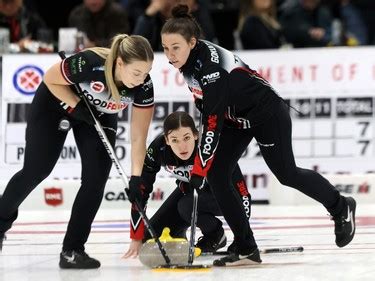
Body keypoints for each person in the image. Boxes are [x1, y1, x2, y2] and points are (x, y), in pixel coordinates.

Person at [159, 4, 356, 267]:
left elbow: (211, 124)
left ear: (192, 43)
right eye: (165, 48)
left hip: (266, 114)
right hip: (236, 118)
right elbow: (207, 110)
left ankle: (340, 206)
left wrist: (198, 168)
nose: (170, 55)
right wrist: (203, 168)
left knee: (286, 174)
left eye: (175, 47)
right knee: (217, 173)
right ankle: (246, 247)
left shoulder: (211, 70)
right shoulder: (190, 59)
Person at [0, 34, 155, 269]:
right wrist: (76, 105)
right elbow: (50, 79)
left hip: (98, 115)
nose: (141, 79)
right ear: (120, 63)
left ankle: (72, 250)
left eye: (146, 73)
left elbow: (138, 136)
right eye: (137, 73)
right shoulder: (89, 62)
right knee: (36, 170)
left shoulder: (143, 86)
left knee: (96, 179)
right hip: (57, 103)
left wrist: (136, 177)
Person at [123, 111, 252, 257]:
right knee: (148, 239)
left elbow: (242, 191)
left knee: (186, 205)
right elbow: (141, 192)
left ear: (196, 135)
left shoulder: (209, 147)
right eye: (174, 140)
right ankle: (178, 235)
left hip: (225, 198)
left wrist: (243, 238)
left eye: (186, 138)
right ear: (166, 140)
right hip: (190, 194)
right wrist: (136, 237)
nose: (182, 147)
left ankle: (215, 235)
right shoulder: (158, 150)